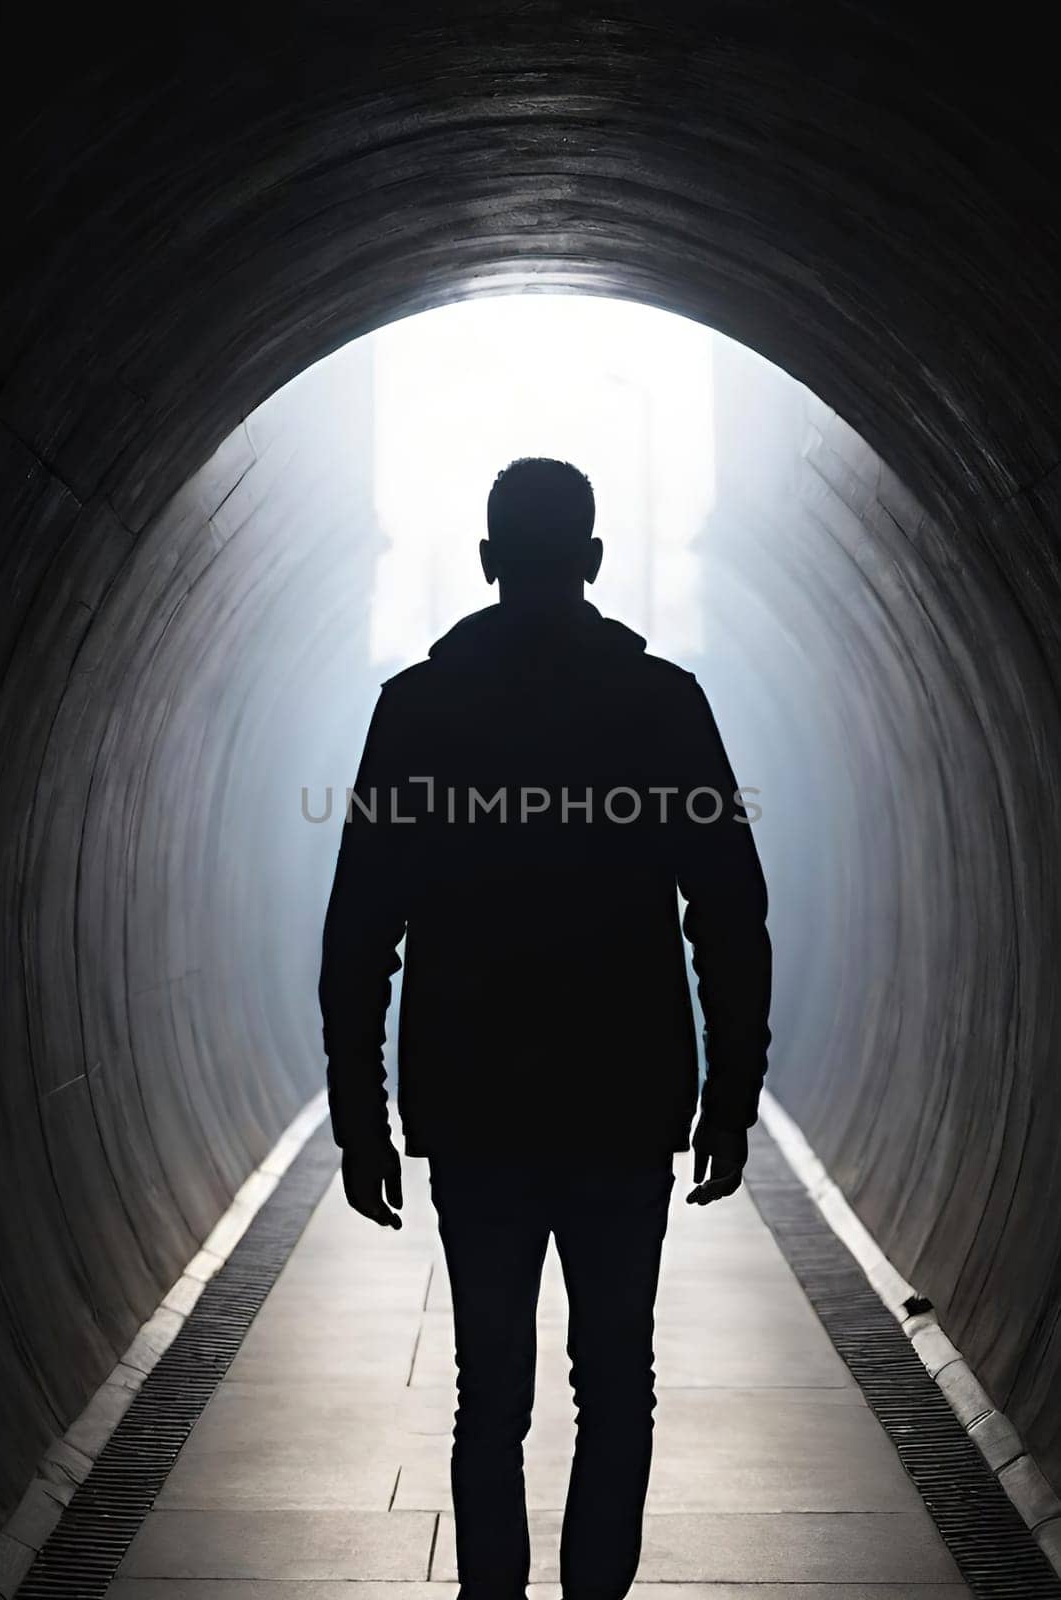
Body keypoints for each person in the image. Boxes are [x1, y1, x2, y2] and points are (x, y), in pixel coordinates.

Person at [319, 456, 771, 1600]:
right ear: (594, 561)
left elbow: (360, 929)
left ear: (485, 560)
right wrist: (730, 1092)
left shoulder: (416, 709)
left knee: (490, 1391)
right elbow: (726, 911)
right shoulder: (663, 704)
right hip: (624, 1100)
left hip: (474, 1104)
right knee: (617, 1377)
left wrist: (359, 1119)